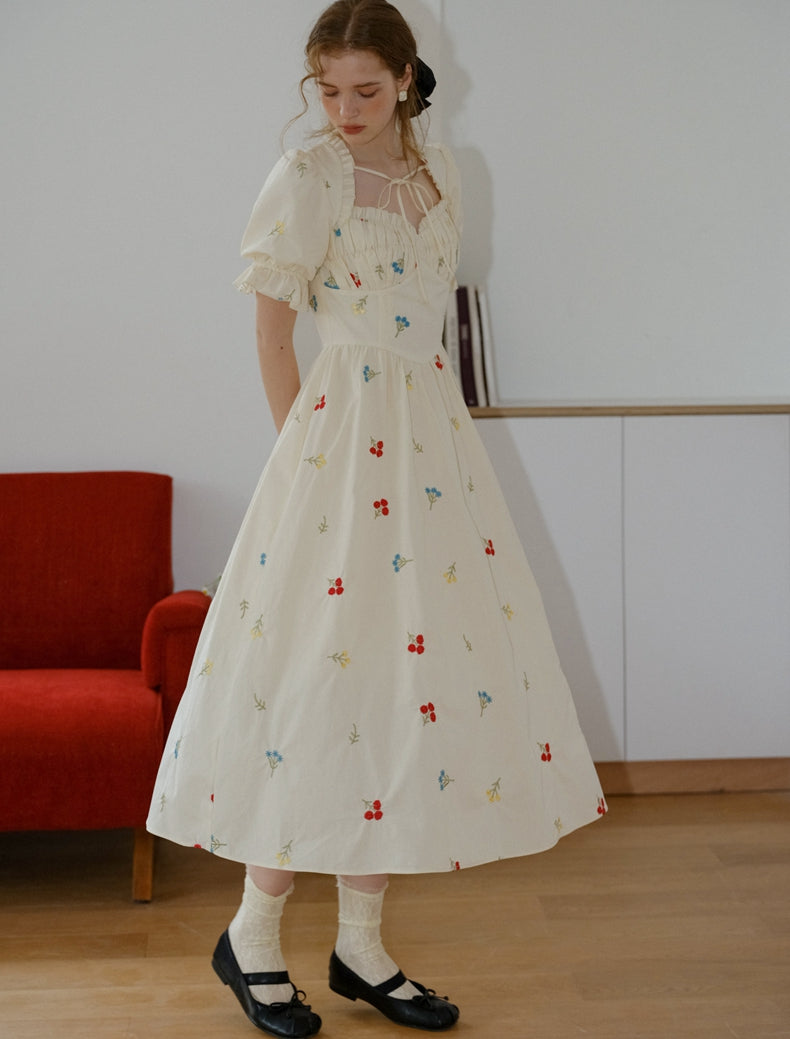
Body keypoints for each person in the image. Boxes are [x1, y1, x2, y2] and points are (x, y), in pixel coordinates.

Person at [147, 1, 606, 1035]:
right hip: (337, 449)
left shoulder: (444, 173)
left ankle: (360, 945)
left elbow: (426, 323)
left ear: (404, 79)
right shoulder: (305, 176)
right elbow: (274, 337)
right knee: (316, 680)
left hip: (430, 448)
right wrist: (301, 467)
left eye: (364, 90)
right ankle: (253, 933)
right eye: (327, 90)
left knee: (406, 687)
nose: (344, 110)